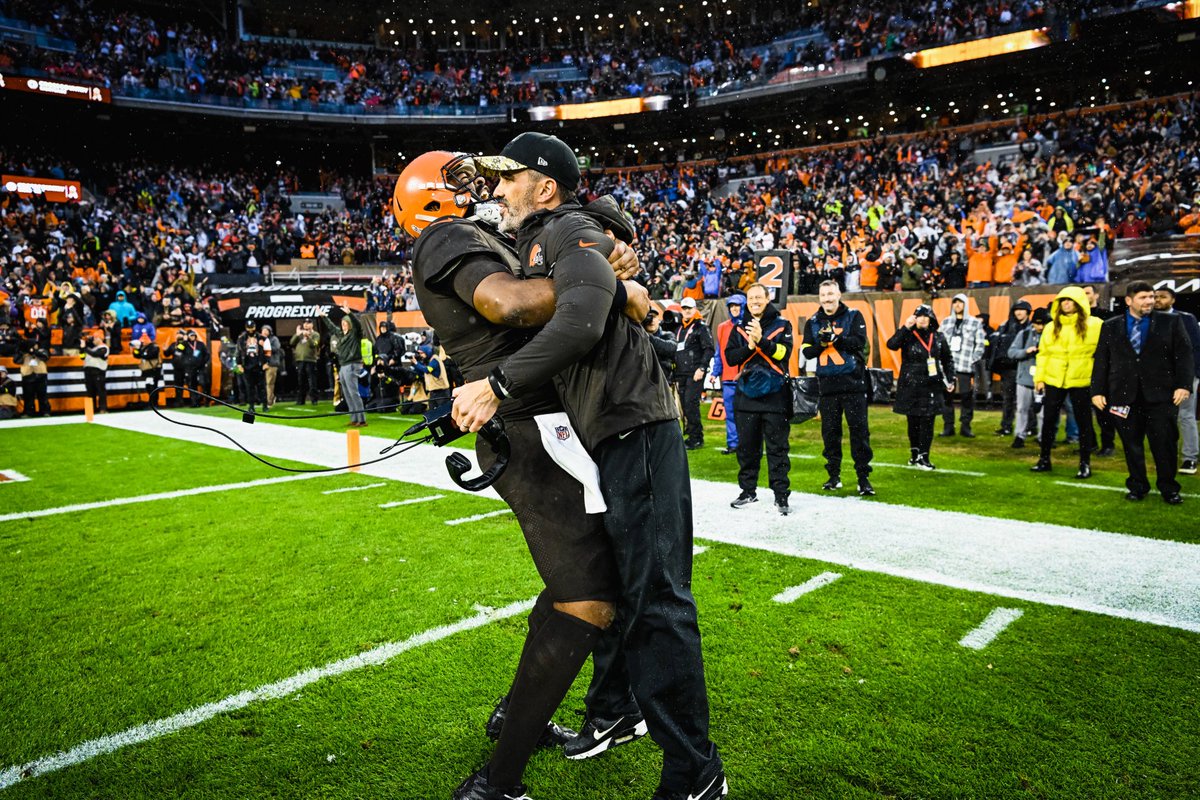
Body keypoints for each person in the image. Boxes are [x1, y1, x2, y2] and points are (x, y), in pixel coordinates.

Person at [456, 132, 727, 800]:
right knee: (631, 591)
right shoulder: (552, 238)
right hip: (615, 427)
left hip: (633, 423)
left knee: (657, 600)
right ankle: (620, 711)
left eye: (508, 177)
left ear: (544, 187)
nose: (496, 190)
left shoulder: (565, 226)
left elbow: (579, 321)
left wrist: (497, 387)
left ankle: (696, 773)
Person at [395, 149, 648, 800]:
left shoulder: (483, 236)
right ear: (433, 197)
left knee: (579, 581)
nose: (488, 186)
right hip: (528, 430)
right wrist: (599, 280)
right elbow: (507, 305)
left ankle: (517, 715)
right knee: (588, 597)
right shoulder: (448, 238)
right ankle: (495, 784)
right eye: (469, 180)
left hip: (538, 425)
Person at [1092, 282, 1195, 503]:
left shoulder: (1171, 322)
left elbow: (1184, 355)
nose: (1150, 301)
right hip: (1123, 396)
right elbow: (1102, 360)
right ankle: (1138, 486)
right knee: (1131, 445)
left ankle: (1169, 488)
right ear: (1129, 301)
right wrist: (1097, 390)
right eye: (1143, 297)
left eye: (1151, 296)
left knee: (1165, 445)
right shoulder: (1110, 326)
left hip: (1162, 396)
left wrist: (1184, 385)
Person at [801, 280, 875, 496]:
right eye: (824, 295)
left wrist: (836, 338)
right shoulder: (813, 321)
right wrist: (822, 344)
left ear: (839, 294)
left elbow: (859, 342)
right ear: (819, 297)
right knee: (830, 434)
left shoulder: (854, 315)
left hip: (853, 384)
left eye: (831, 294)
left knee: (859, 433)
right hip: (827, 387)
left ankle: (863, 478)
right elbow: (806, 352)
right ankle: (833, 476)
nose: (827, 299)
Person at [724, 283, 793, 513]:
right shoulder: (738, 327)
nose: (754, 301)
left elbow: (784, 354)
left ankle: (781, 495)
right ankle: (748, 491)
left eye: (758, 297)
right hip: (746, 398)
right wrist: (751, 345)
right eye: (751, 298)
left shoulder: (783, 324)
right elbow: (731, 358)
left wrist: (762, 342)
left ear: (767, 299)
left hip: (776, 398)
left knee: (778, 450)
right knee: (747, 449)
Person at [1030, 286, 1101, 478]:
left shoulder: (1095, 325)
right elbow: (1043, 354)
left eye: (1070, 300)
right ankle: (1044, 459)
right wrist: (1040, 378)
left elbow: (1104, 354)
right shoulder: (1051, 327)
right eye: (1063, 300)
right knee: (1049, 421)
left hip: (1081, 380)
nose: (1066, 303)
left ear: (1079, 302)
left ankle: (1085, 463)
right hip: (1054, 379)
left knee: (1084, 422)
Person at [888, 304, 956, 470]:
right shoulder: (908, 334)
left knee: (928, 420)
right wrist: (905, 327)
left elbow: (948, 359)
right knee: (913, 420)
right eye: (919, 315)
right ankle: (914, 454)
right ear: (914, 318)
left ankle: (924, 457)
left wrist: (950, 379)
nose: (923, 319)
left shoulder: (938, 337)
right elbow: (891, 344)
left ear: (931, 318)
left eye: (927, 316)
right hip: (911, 384)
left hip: (931, 384)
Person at [1153, 287, 1200, 475]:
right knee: (1161, 417)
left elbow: (1195, 348)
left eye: (1162, 297)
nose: (1157, 300)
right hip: (1159, 377)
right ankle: (1166, 457)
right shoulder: (1149, 320)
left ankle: (1190, 458)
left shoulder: (1186, 318)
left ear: (1172, 300)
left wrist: (1192, 376)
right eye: (1155, 297)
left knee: (1185, 415)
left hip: (1184, 376)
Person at [938, 293, 987, 438]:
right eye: (955, 302)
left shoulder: (974, 323)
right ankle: (948, 426)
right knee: (947, 397)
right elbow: (939, 342)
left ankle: (966, 426)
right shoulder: (946, 322)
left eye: (961, 303)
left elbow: (980, 343)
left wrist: (973, 359)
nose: (957, 305)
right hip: (948, 366)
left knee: (966, 396)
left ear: (966, 305)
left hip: (965, 365)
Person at [674, 297, 714, 450]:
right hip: (681, 372)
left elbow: (709, 348)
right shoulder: (679, 328)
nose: (687, 310)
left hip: (695, 371)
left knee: (691, 403)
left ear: (695, 308)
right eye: (684, 308)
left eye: (689, 308)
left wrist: (702, 368)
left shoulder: (701, 327)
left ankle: (697, 437)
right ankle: (691, 435)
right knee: (684, 405)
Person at [1007, 307, 1050, 448]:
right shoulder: (1024, 334)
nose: (1040, 327)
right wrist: (1026, 351)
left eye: (1043, 324)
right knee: (1022, 409)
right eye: (1037, 323)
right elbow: (1011, 352)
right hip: (1024, 379)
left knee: (1043, 412)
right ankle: (1019, 436)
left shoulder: (1051, 335)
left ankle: (1043, 437)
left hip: (1043, 379)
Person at [321, 305, 367, 427]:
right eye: (342, 323)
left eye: (346, 323)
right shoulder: (342, 335)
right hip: (343, 365)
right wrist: (323, 316)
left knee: (353, 392)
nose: (343, 325)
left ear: (350, 324)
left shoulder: (355, 334)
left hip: (352, 364)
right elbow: (332, 328)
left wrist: (350, 313)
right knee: (347, 393)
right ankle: (354, 418)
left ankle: (361, 419)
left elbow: (358, 325)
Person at [712, 294, 746, 455]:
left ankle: (747, 443)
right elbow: (719, 353)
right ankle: (733, 444)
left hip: (745, 377)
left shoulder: (748, 325)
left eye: (737, 306)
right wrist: (715, 372)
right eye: (731, 306)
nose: (734, 308)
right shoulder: (722, 327)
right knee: (730, 413)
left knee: (747, 413)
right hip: (728, 377)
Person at [991, 300, 1031, 436]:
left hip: (1026, 367)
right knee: (1008, 398)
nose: (1018, 312)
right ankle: (1006, 426)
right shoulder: (1006, 326)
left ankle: (1030, 427)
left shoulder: (1031, 327)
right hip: (1010, 369)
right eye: (1016, 309)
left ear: (1028, 312)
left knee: (1027, 400)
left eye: (1021, 309)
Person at [15, 330, 50, 417]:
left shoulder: (42, 350)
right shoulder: (23, 353)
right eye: (34, 344)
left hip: (40, 375)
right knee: (28, 396)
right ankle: (28, 412)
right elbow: (16, 360)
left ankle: (45, 411)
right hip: (27, 375)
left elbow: (46, 357)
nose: (36, 345)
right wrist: (23, 351)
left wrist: (34, 352)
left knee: (42, 395)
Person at [236, 320, 267, 413]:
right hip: (247, 366)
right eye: (248, 328)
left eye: (252, 327)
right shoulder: (241, 339)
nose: (250, 330)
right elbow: (238, 352)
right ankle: (251, 406)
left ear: (255, 327)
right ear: (246, 328)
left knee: (262, 387)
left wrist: (266, 362)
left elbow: (268, 350)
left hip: (259, 365)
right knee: (249, 388)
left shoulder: (261, 338)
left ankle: (265, 405)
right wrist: (239, 364)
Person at [291, 320, 320, 405]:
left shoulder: (315, 334)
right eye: (305, 323)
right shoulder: (300, 334)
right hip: (300, 360)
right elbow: (292, 342)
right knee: (301, 381)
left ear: (312, 324)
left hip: (310, 360)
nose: (306, 325)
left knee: (312, 381)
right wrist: (297, 334)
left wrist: (308, 337)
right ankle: (301, 400)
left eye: (308, 323)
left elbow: (314, 344)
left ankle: (314, 399)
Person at [81, 329, 109, 413]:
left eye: (95, 338)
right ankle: (90, 410)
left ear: (99, 339)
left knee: (100, 391)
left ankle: (102, 409)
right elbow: (82, 357)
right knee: (89, 392)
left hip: (98, 371)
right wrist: (81, 349)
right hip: (88, 371)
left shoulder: (104, 347)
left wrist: (84, 347)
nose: (93, 340)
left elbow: (96, 354)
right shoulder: (92, 349)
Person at [260, 325, 282, 409]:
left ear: (270, 331)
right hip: (263, 364)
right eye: (263, 330)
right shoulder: (260, 340)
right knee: (264, 384)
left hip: (272, 364)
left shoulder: (274, 339)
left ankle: (269, 401)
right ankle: (268, 399)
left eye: (266, 330)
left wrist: (265, 345)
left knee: (269, 383)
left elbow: (276, 349)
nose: (265, 332)